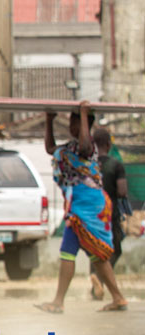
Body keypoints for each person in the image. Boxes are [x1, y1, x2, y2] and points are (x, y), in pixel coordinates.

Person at [37, 105, 129, 313]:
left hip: (87, 207)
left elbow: (86, 146)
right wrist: (49, 120)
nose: (71, 125)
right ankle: (118, 297)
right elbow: (51, 149)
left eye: (74, 122)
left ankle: (58, 301)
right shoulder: (71, 147)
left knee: (68, 251)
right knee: (97, 256)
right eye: (71, 121)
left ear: (86, 124)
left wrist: (85, 115)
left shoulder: (89, 148)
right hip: (82, 205)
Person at [90, 128, 129, 300]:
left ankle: (95, 287)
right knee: (116, 249)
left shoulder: (88, 165)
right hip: (110, 214)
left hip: (90, 214)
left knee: (94, 250)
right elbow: (122, 191)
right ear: (109, 144)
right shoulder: (115, 165)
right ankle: (100, 278)